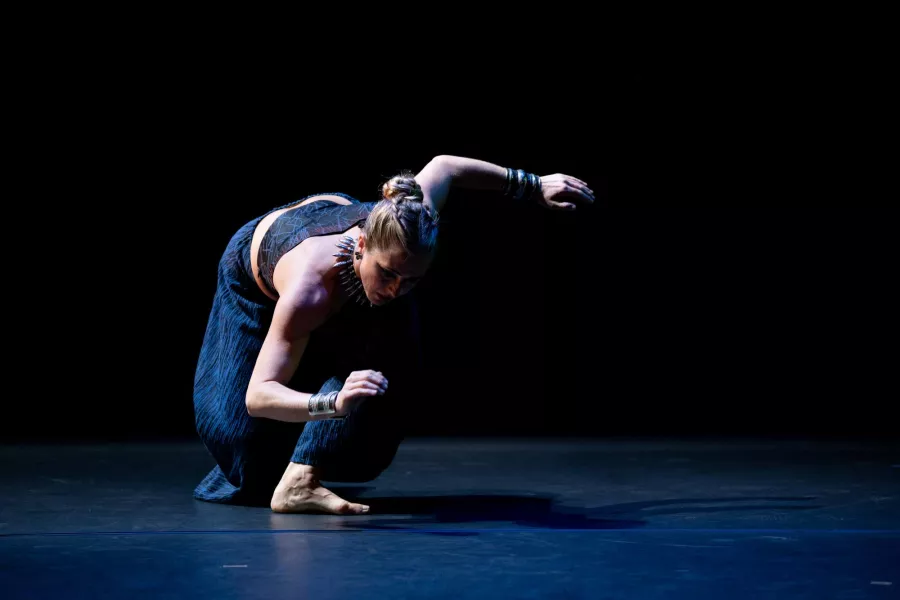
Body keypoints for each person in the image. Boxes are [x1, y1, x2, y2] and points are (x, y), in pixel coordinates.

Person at [192, 155, 594, 514]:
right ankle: (282, 470)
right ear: (362, 245)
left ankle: (300, 481)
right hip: (254, 277)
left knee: (372, 426)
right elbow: (259, 395)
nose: (394, 290)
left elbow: (445, 167)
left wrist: (533, 184)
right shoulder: (309, 290)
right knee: (241, 448)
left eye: (411, 280)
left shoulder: (415, 216)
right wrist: (330, 402)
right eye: (387, 274)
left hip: (354, 251)